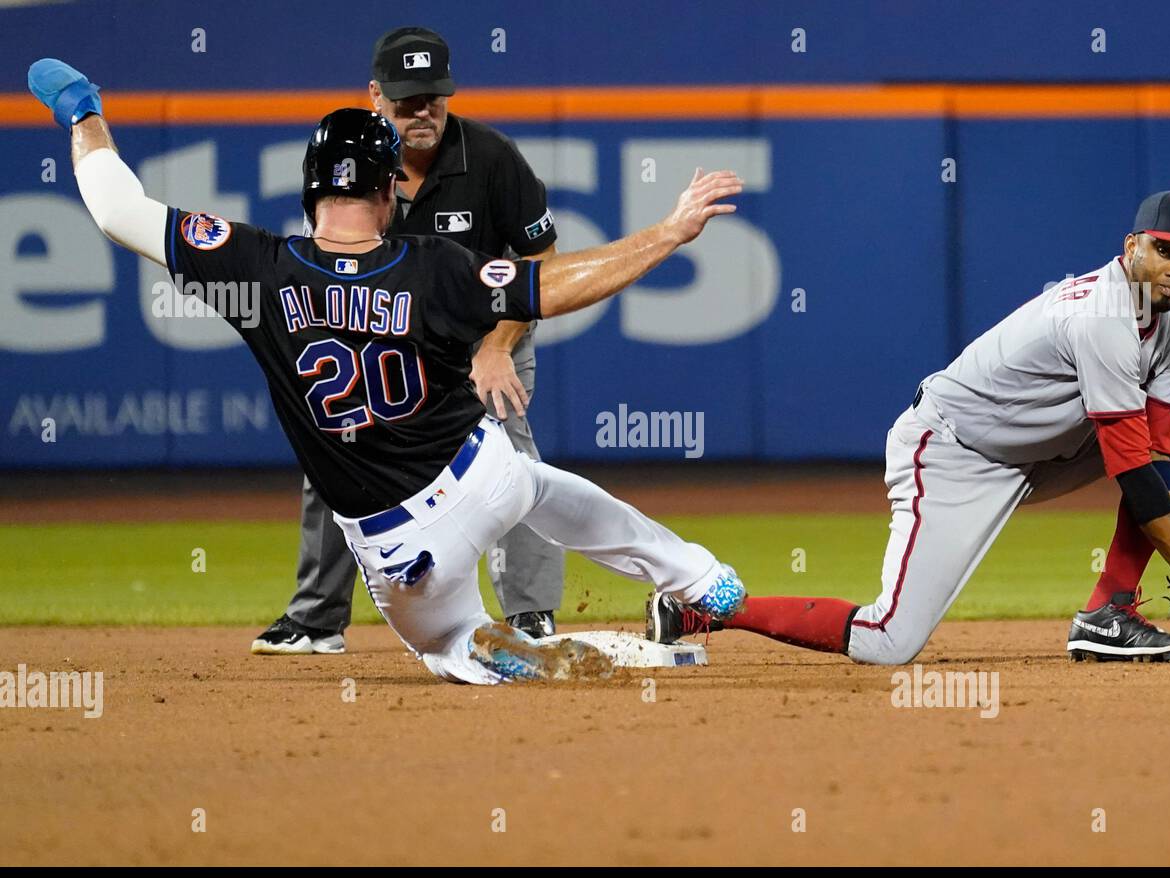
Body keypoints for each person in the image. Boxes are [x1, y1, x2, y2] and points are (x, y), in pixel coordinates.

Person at [30, 57, 746, 683]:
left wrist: (83, 114)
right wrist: (668, 232)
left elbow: (115, 207)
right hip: (482, 475)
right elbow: (548, 286)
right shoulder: (434, 264)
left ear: (311, 190)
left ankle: (485, 650)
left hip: (403, 552)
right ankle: (697, 577)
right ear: (389, 192)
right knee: (536, 485)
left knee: (448, 645)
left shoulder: (255, 269)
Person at [648, 191, 1170, 664]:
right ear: (1131, 245)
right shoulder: (1102, 316)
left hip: (1046, 448)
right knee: (890, 641)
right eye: (1166, 252)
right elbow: (1133, 468)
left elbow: (1161, 453)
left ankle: (1109, 613)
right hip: (954, 452)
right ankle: (708, 609)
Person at [255, 26, 565, 655]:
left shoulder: (492, 157)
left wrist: (499, 344)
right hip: (388, 343)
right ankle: (316, 620)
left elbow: (541, 257)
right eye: (405, 99)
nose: (421, 111)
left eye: (433, 97)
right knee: (337, 451)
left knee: (517, 465)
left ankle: (530, 614)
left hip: (484, 343)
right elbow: (323, 259)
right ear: (375, 95)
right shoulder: (349, 162)